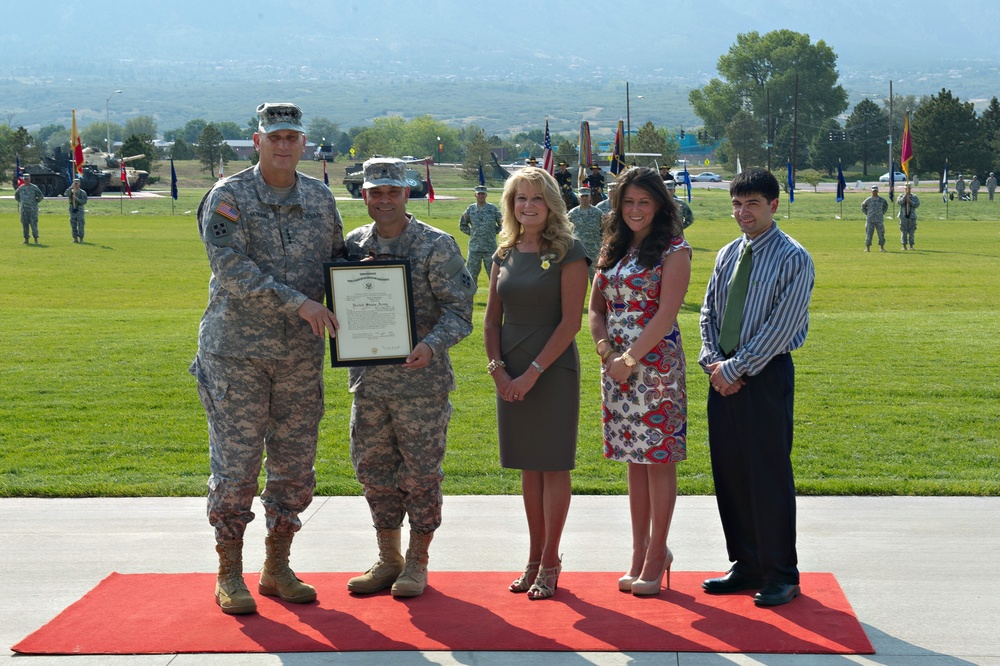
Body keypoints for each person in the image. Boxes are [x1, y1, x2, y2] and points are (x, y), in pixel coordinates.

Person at [190, 102, 345, 615]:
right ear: (258, 141)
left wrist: (378, 290)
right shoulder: (228, 197)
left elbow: (338, 265)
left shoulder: (321, 200)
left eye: (292, 137)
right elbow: (230, 267)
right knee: (236, 466)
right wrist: (296, 302)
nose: (284, 145)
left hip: (299, 356)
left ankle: (276, 568)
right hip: (237, 353)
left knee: (295, 467)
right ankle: (229, 572)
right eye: (274, 136)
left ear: (303, 145)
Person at [345, 158, 476, 599]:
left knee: (420, 475)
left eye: (393, 191)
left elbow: (460, 313)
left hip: (421, 384)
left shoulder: (436, 246)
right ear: (364, 196)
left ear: (407, 193)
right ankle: (388, 558)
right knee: (374, 472)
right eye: (375, 192)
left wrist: (431, 344)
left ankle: (417, 562)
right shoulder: (352, 244)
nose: (384, 200)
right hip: (370, 385)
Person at [698, 168, 815, 608]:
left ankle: (782, 573)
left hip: (764, 378)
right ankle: (745, 564)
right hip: (721, 376)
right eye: (736, 204)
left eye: (752, 204)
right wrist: (713, 361)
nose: (742, 213)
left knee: (768, 476)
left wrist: (737, 368)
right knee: (730, 474)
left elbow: (780, 326)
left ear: (774, 206)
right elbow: (709, 312)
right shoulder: (729, 253)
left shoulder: (793, 258)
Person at [483, 167, 589, 601]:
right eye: (520, 198)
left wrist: (531, 373)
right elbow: (491, 320)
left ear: (551, 204)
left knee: (552, 465)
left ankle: (551, 560)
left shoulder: (570, 251)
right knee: (529, 468)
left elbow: (570, 323)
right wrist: (498, 371)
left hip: (551, 369)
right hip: (509, 370)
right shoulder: (503, 252)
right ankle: (532, 558)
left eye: (537, 199)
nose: (527, 206)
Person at [588, 167, 691, 596]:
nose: (635, 210)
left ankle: (657, 552)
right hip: (617, 371)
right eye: (628, 202)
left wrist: (630, 358)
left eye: (644, 202)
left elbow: (666, 314)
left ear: (659, 205)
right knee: (634, 462)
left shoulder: (674, 249)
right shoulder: (612, 247)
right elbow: (595, 309)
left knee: (658, 461)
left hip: (656, 370)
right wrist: (608, 353)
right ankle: (639, 551)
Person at [458, 185, 502, 285]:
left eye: (483, 194)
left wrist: (493, 232)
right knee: (471, 275)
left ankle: (496, 299)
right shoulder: (471, 209)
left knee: (494, 276)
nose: (481, 196)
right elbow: (462, 225)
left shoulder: (493, 209)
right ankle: (469, 299)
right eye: (479, 194)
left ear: (486, 195)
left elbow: (502, 223)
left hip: (490, 248)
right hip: (475, 248)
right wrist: (473, 233)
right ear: (475, 195)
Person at [567, 187, 603, 278]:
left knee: (596, 278)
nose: (584, 198)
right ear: (579, 198)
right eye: (582, 196)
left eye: (586, 196)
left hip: (594, 251)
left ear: (590, 197)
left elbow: (604, 230)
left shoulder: (598, 212)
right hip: (578, 252)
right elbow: (567, 231)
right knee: (577, 279)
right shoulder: (572, 214)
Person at [15, 174, 44, 245]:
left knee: (34, 225)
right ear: (23, 180)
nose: (26, 180)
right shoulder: (20, 188)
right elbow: (16, 196)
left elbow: (41, 196)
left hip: (32, 210)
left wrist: (35, 202)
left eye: (27, 179)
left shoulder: (34, 187)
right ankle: (26, 239)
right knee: (25, 225)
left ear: (29, 179)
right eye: (25, 179)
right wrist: (22, 202)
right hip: (24, 210)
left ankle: (36, 239)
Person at [860, 185, 888, 252]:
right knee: (869, 234)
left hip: (879, 220)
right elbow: (863, 207)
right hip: (870, 220)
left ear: (877, 191)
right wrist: (867, 213)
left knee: (881, 233)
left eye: (875, 191)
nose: (874, 192)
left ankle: (882, 247)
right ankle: (867, 247)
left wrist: (882, 213)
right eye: (873, 191)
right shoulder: (868, 200)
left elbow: (886, 207)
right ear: (871, 191)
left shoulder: (882, 200)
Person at [897, 183, 920, 250]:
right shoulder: (901, 196)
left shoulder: (914, 197)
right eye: (906, 189)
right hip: (903, 216)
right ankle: (904, 246)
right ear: (904, 189)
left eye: (909, 188)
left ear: (911, 189)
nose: (908, 190)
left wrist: (910, 201)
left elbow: (917, 205)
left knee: (911, 232)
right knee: (903, 231)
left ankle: (911, 246)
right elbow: (900, 202)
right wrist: (905, 197)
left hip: (911, 216)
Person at [65, 178, 88, 243]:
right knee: (73, 224)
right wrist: (70, 188)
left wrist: (77, 199)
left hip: (79, 210)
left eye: (77, 183)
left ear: (79, 184)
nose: (76, 185)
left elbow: (84, 201)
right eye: (74, 183)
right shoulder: (71, 191)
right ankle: (75, 238)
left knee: (81, 224)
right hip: (72, 210)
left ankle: (81, 238)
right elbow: (66, 194)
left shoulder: (82, 192)